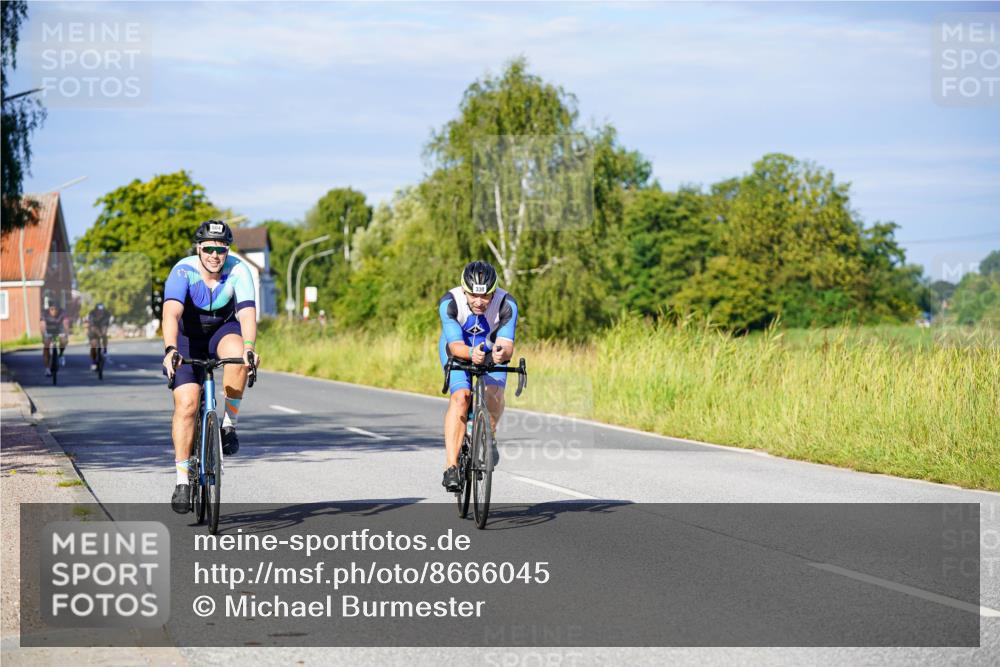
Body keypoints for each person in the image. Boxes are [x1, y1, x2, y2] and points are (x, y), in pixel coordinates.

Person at [161, 220, 260, 513]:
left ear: (227, 250)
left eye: (221, 249)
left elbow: (246, 314)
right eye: (209, 249)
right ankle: (182, 480)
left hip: (222, 330)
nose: (215, 255)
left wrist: (250, 348)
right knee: (187, 405)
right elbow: (170, 314)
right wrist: (170, 350)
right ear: (198, 248)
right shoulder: (183, 271)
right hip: (187, 336)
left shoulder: (239, 270)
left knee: (239, 355)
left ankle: (228, 425)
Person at [438, 261, 518, 492]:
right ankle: (452, 467)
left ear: (494, 292)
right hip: (458, 348)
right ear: (464, 290)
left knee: (493, 395)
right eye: (473, 295)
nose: (479, 302)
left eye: (485, 297)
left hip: (490, 350)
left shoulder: (507, 304)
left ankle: (489, 433)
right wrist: (471, 354)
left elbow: (507, 344)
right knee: (461, 397)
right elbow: (454, 345)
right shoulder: (449, 302)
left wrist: (500, 353)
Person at [40, 302, 69, 376]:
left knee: (63, 341)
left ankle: (61, 354)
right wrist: (43, 336)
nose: (54, 311)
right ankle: (47, 369)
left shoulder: (63, 313)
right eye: (52, 309)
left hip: (59, 329)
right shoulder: (44, 313)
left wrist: (66, 335)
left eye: (56, 309)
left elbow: (65, 324)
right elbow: (43, 326)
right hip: (49, 329)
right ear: (49, 309)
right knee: (46, 346)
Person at [87, 303, 111, 370]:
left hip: (102, 327)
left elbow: (106, 325)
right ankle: (93, 362)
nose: (100, 312)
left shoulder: (107, 314)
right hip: (93, 328)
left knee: (105, 335)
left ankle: (105, 350)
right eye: (98, 311)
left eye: (102, 311)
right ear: (96, 310)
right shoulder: (91, 314)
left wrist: (103, 334)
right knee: (93, 344)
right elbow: (92, 326)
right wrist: (98, 333)